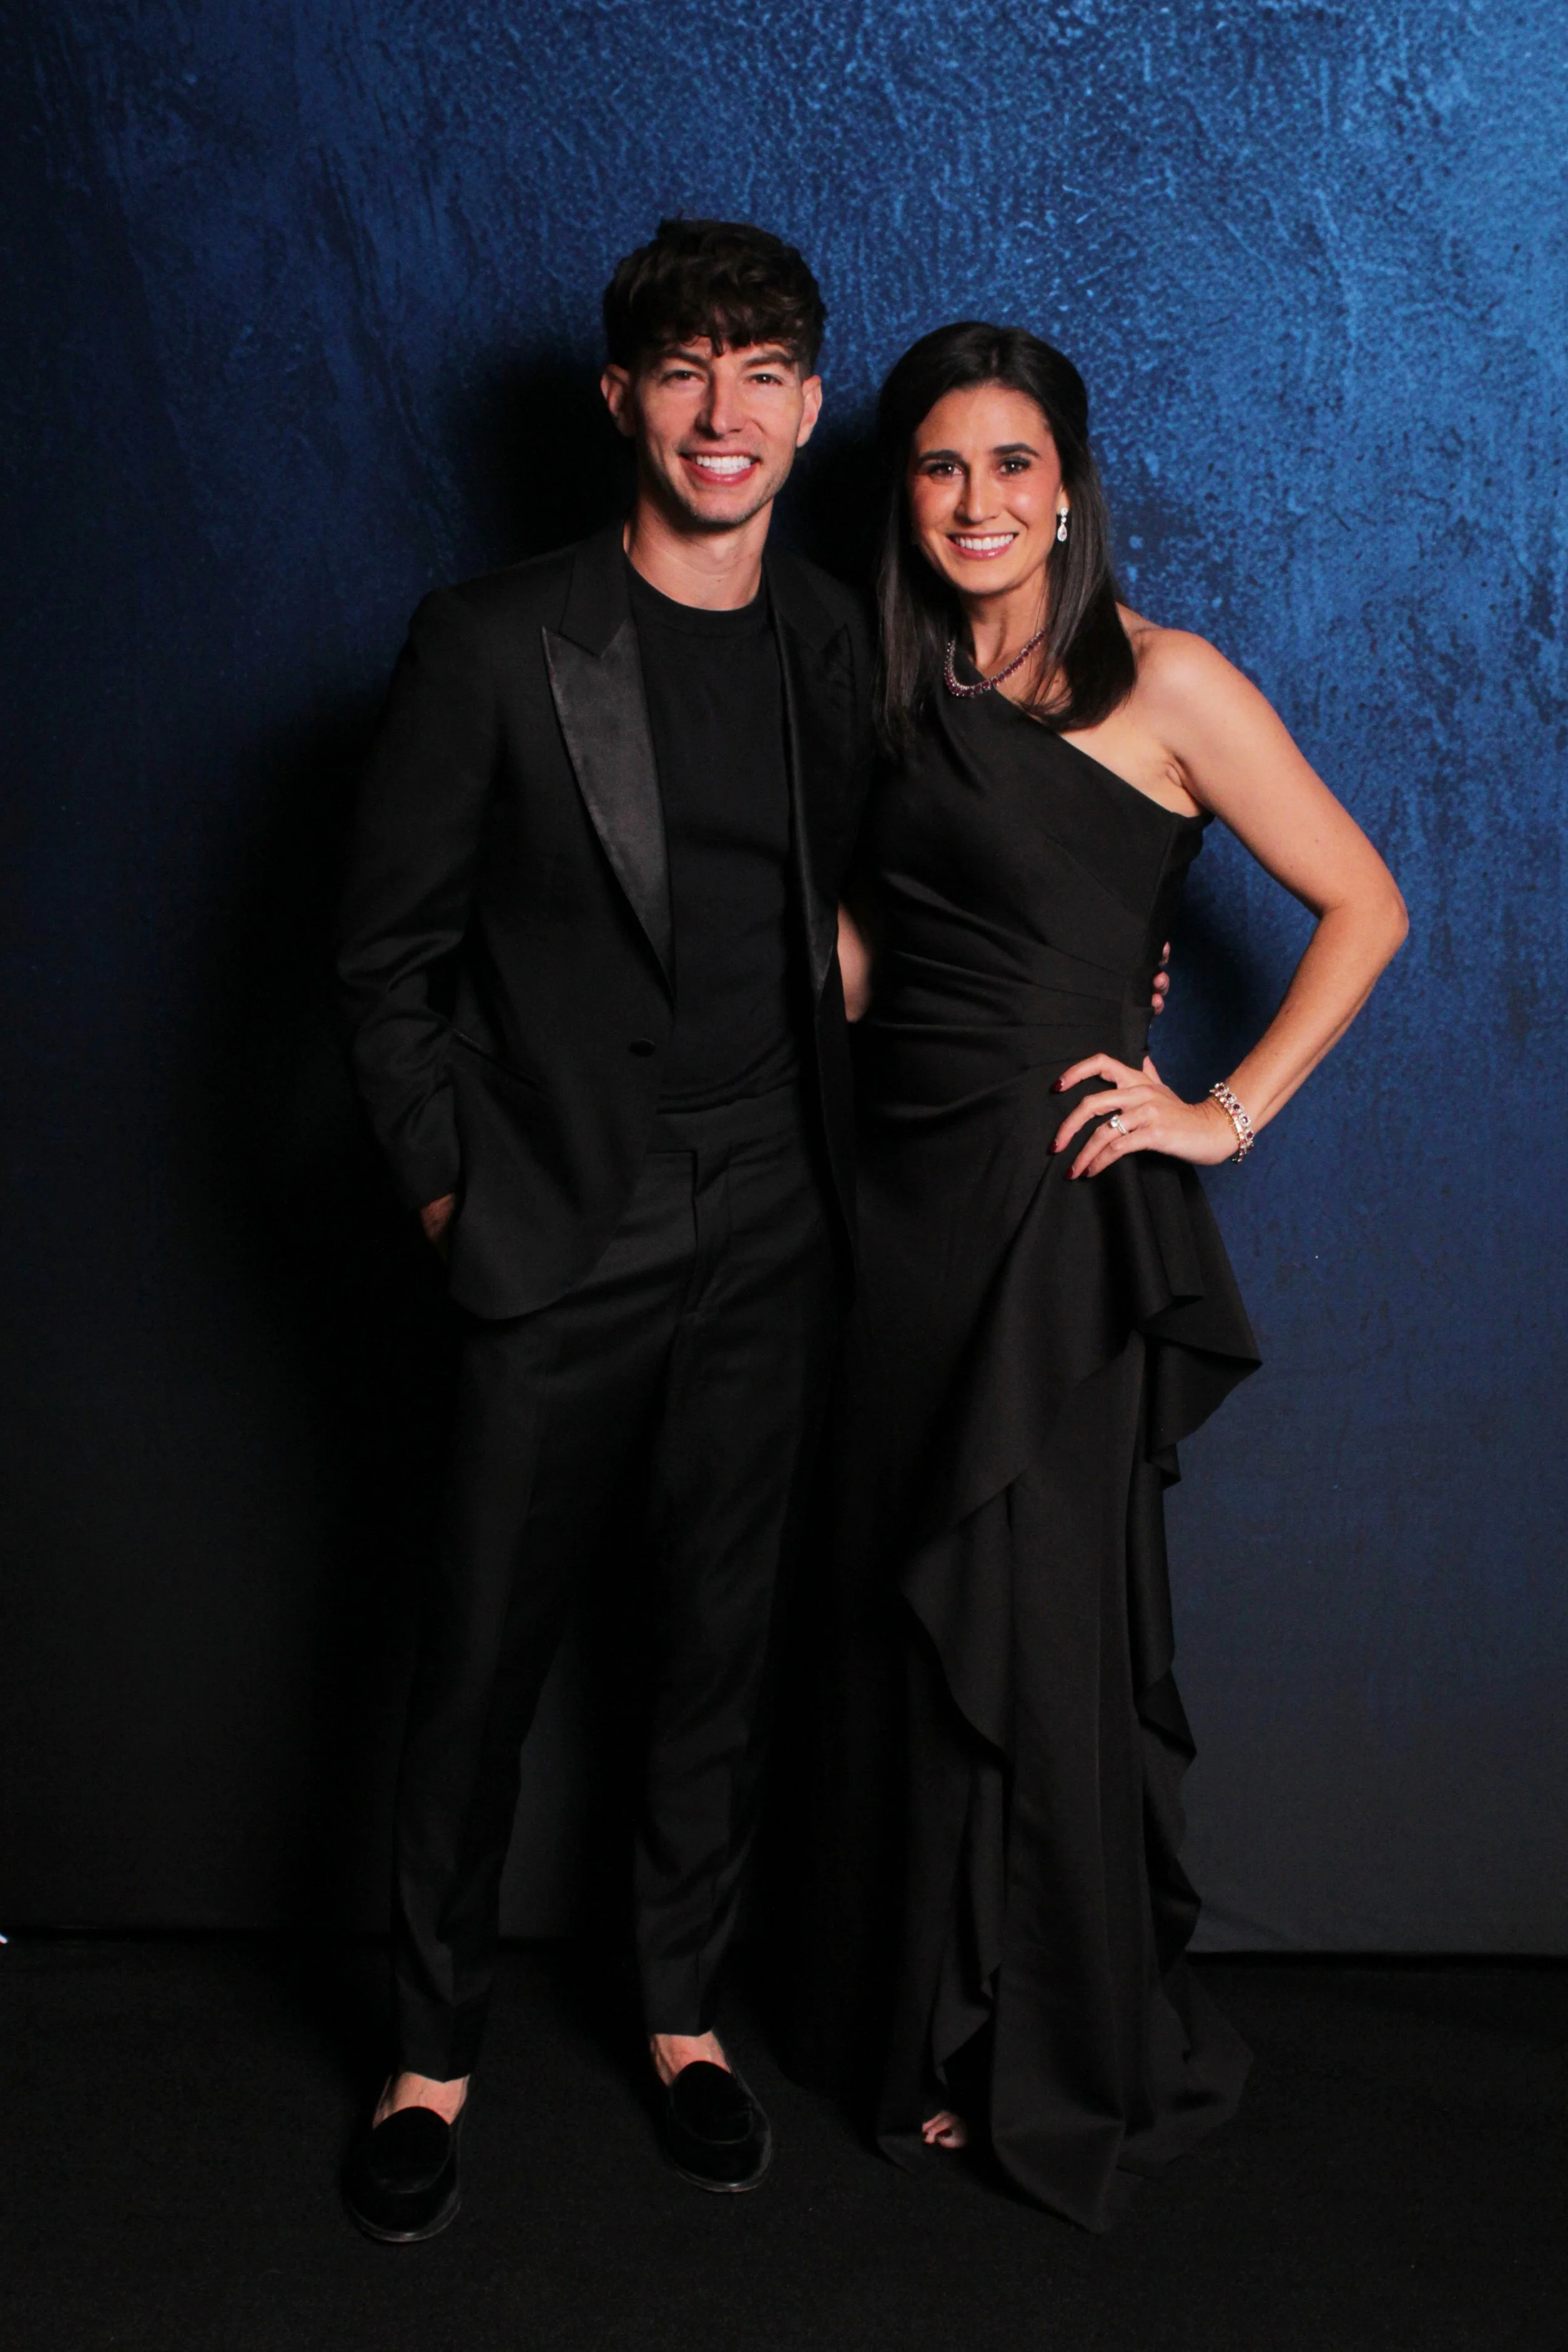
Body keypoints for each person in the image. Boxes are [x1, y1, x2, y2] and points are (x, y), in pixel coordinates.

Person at [797, 322, 1407, 2232]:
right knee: (909, 1628)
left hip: (1056, 1216)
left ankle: (1040, 2055)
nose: (975, 503)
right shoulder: (875, 680)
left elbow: (1364, 903)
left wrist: (1217, 1112)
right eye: (937, 468)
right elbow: (862, 959)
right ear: (904, 492)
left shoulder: (1169, 680)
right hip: (892, 1203)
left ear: (1067, 481)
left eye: (1009, 464)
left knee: (1040, 1634)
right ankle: (933, 2027)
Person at [334, 218, 877, 2237]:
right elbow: (380, 958)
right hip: (551, 1219)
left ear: (809, 409)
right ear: (621, 401)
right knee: (473, 1649)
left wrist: (1099, 972)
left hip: (775, 1218)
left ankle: (679, 2012)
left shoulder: (833, 636)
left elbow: (931, 867)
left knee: (717, 1641)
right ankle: (429, 2046)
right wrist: (449, 1186)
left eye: (759, 372)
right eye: (682, 369)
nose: (721, 410)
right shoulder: (491, 640)